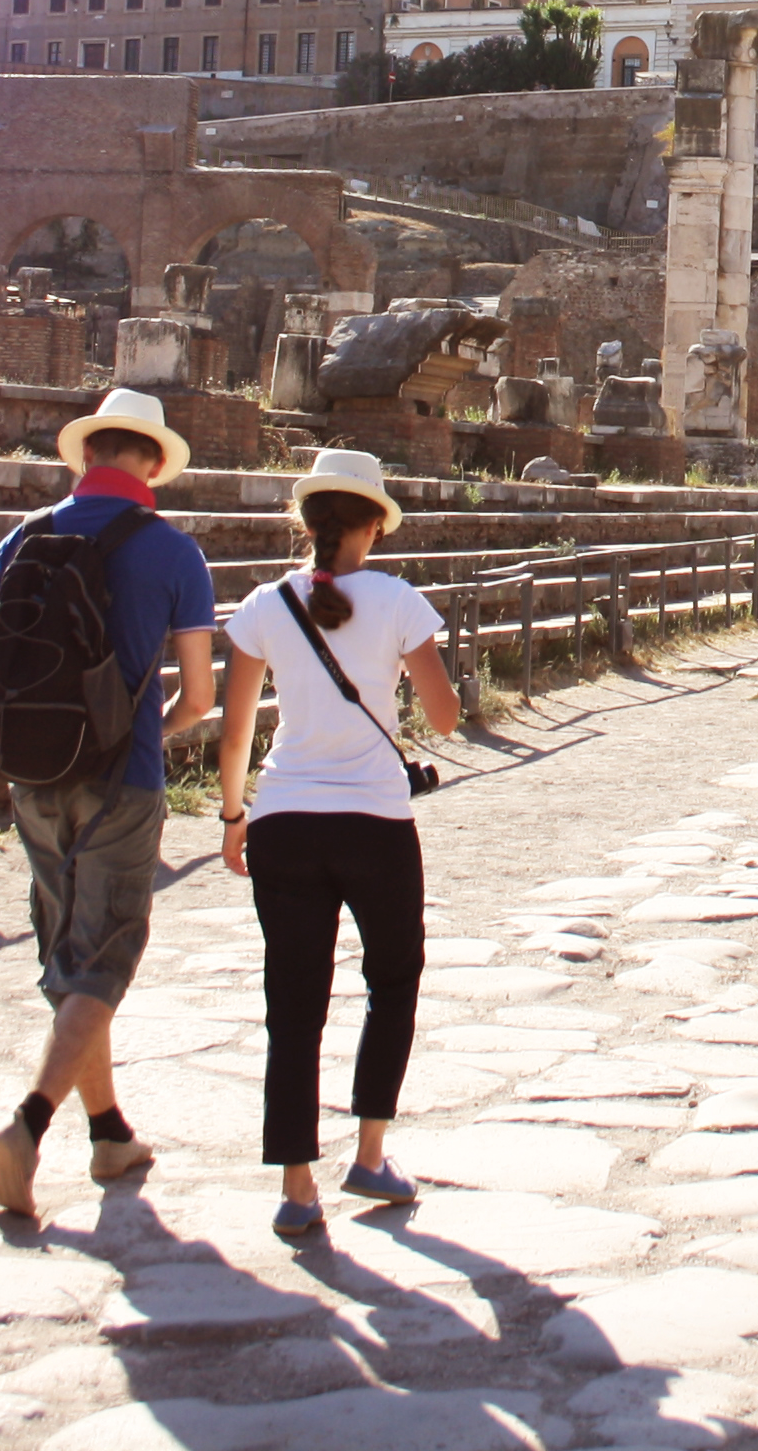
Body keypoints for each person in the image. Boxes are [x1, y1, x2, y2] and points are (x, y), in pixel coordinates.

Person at [0, 388, 219, 1219]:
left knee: (70, 958)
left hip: (31, 772)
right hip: (124, 776)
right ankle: (28, 1126)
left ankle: (109, 1130)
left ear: (85, 457)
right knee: (104, 957)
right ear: (152, 462)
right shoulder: (173, 553)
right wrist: (145, 728)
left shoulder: (23, 538)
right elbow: (196, 695)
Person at [217, 445, 461, 1246]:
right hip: (375, 824)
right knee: (392, 981)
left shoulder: (264, 603)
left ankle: (295, 1190)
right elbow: (448, 715)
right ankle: (370, 1152)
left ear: (310, 523)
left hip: (283, 818)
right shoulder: (396, 601)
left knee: (293, 1007)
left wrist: (231, 815)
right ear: (373, 529)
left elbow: (239, 726)